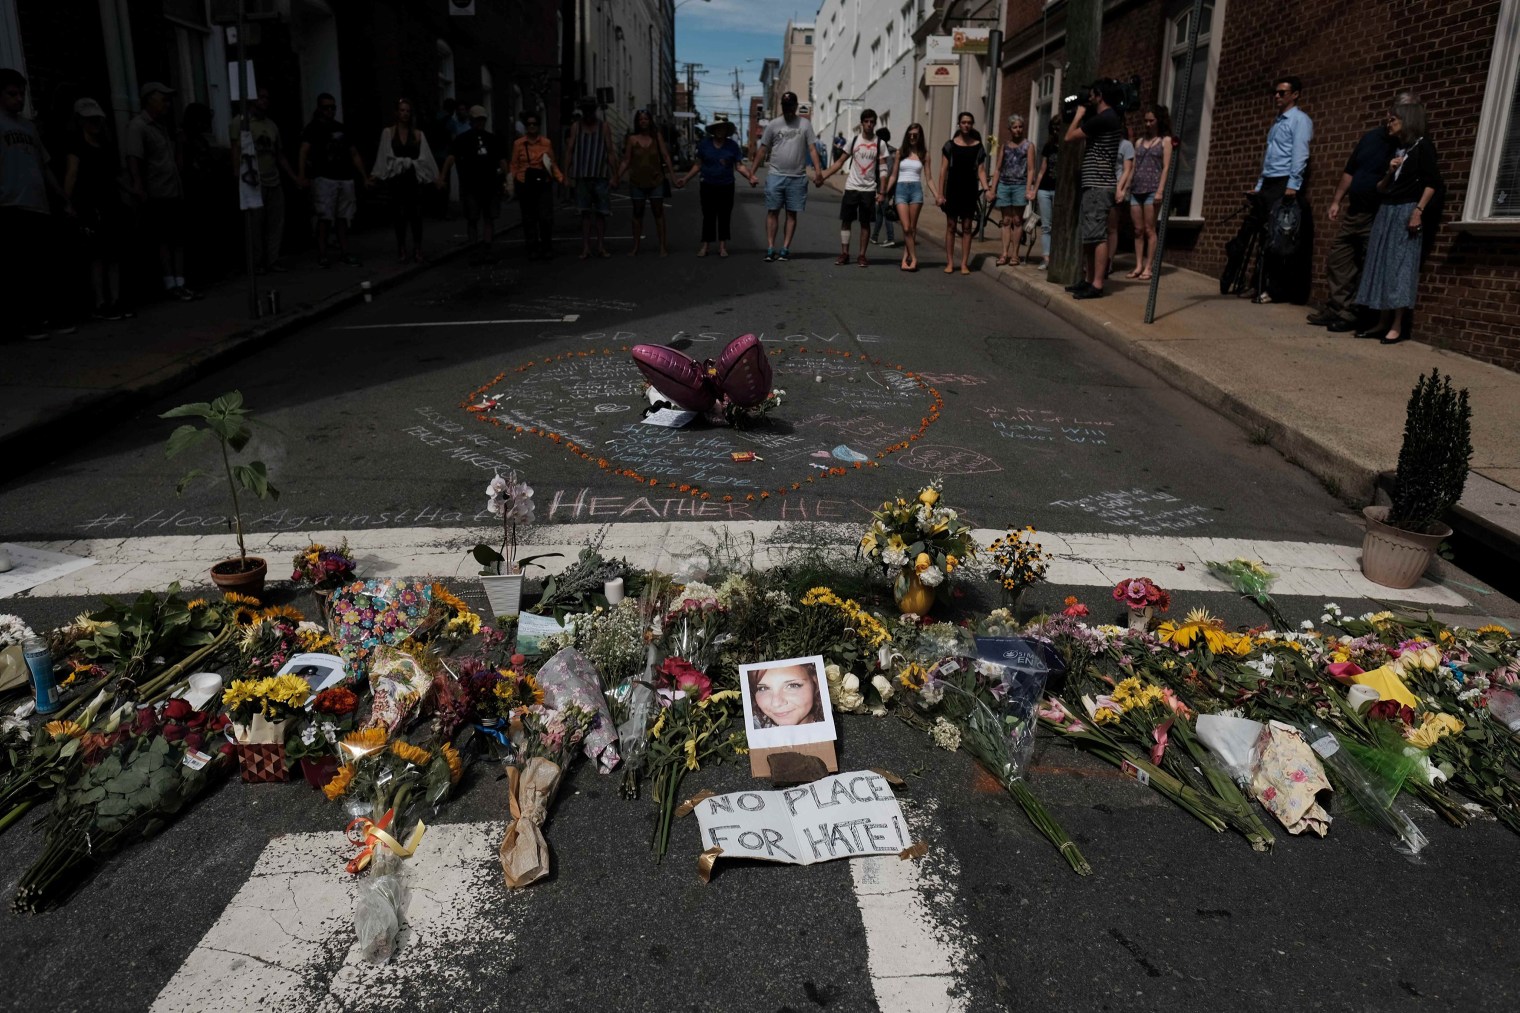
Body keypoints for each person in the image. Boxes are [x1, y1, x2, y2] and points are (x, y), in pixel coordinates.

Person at [1310, 92, 1415, 332]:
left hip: (1377, 213)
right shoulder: (1370, 138)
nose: (1394, 119)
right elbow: (1350, 171)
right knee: (1339, 258)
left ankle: (1353, 313)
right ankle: (1337, 306)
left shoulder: (1405, 144)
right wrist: (1337, 200)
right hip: (1354, 211)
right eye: (1395, 112)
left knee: (1368, 264)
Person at [1355, 101, 1441, 346]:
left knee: (1400, 266)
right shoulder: (1399, 150)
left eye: (1393, 119)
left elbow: (1432, 183)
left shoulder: (1422, 146)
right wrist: (1389, 171)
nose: (1388, 124)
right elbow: (1381, 188)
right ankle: (1382, 320)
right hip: (1387, 210)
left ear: (1407, 120)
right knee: (1381, 263)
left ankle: (1397, 325)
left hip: (1406, 209)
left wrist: (1418, 211)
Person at [1, 67, 73, 340]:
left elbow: (44, 167)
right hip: (10, 205)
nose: (18, 99)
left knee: (41, 266)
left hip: (37, 204)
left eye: (21, 94)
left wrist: (63, 199)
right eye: (12, 94)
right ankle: (25, 322)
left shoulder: (28, 127)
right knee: (21, 269)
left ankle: (44, 317)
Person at [1237, 75, 1314, 303]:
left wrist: (1292, 185)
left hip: (1283, 184)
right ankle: (1258, 284)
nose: (1277, 96)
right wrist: (1259, 186)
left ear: (1295, 94)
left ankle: (1273, 290)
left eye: (1282, 92)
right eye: (1276, 92)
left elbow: (1300, 154)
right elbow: (1269, 157)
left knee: (1279, 239)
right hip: (1269, 183)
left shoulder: (1299, 120)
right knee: (1263, 237)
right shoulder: (1277, 121)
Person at [127, 81, 196, 301]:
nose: (167, 104)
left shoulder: (165, 127)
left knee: (177, 238)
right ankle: (169, 283)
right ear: (149, 100)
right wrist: (138, 185)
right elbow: (134, 158)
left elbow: (176, 161)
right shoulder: (139, 126)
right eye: (162, 99)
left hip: (173, 189)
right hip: (157, 191)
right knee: (164, 239)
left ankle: (180, 281)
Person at [65, 97, 130, 319]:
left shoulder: (105, 146)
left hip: (109, 202)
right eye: (90, 120)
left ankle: (115, 299)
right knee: (98, 255)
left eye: (97, 120)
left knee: (112, 254)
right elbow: (71, 174)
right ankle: (101, 302)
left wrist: (131, 192)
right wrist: (68, 201)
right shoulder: (77, 145)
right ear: (80, 121)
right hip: (91, 204)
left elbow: (115, 175)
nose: (95, 124)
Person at [1063, 80, 1123, 299]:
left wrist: (1079, 115)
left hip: (1099, 184)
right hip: (1094, 183)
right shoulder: (1107, 118)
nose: (1089, 99)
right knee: (1090, 235)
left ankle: (1097, 284)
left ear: (1100, 95)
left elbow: (1069, 137)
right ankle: (1088, 280)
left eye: (1092, 95)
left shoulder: (1105, 118)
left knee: (1097, 237)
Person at [230, 86, 297, 273]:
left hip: (272, 177)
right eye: (261, 97)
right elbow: (235, 149)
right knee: (255, 224)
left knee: (275, 221)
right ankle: (257, 262)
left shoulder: (271, 125)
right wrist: (236, 173)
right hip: (253, 180)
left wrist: (294, 177)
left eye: (267, 97)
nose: (265, 101)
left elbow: (279, 154)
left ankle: (272, 259)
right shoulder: (241, 122)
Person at [298, 93, 369, 267]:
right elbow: (303, 152)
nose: (330, 111)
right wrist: (302, 175)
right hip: (324, 177)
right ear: (319, 109)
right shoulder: (313, 128)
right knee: (324, 217)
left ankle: (344, 252)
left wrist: (364, 176)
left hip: (344, 177)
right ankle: (323, 254)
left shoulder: (342, 129)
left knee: (343, 217)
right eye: (326, 107)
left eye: (332, 107)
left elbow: (353, 153)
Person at [674, 113, 757, 258]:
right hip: (708, 185)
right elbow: (698, 165)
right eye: (718, 127)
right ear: (714, 129)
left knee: (724, 215)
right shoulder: (704, 145)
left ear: (726, 130)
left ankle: (722, 246)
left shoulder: (732, 146)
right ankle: (705, 245)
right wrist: (685, 179)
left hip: (726, 185)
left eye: (723, 128)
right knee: (708, 215)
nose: (720, 130)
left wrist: (751, 176)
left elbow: (739, 166)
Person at [755, 91, 824, 263]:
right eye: (785, 107)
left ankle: (785, 248)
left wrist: (818, 172)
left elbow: (812, 149)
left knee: (792, 213)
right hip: (775, 175)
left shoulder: (805, 124)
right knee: (773, 211)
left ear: (795, 106)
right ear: (782, 107)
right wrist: (752, 172)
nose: (788, 110)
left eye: (791, 106)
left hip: (797, 177)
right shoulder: (773, 125)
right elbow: (763, 149)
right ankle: (770, 248)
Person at [370, 98, 438, 263]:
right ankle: (401, 247)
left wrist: (436, 177)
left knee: (416, 214)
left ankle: (417, 247)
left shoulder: (417, 135)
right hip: (397, 178)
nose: (405, 114)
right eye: (402, 110)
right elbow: (383, 155)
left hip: (412, 178)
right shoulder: (389, 133)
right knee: (399, 215)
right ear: (396, 113)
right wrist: (376, 175)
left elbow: (426, 157)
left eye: (407, 111)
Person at [820, 108, 888, 267]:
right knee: (846, 221)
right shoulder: (854, 141)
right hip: (852, 187)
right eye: (866, 121)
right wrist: (823, 176)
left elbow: (884, 170)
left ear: (875, 124)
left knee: (865, 223)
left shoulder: (880, 143)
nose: (869, 125)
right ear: (862, 123)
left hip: (869, 189)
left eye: (872, 122)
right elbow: (839, 162)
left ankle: (862, 255)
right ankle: (844, 253)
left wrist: (882, 191)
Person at [437, 105, 509, 250]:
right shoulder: (462, 139)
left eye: (482, 119)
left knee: (489, 218)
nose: (480, 123)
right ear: (471, 120)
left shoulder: (492, 139)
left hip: (490, 184)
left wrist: (507, 180)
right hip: (470, 185)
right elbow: (451, 157)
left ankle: (487, 247)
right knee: (472, 218)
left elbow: (501, 160)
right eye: (477, 120)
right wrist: (442, 177)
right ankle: (474, 248)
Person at [613, 109, 675, 257]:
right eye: (640, 119)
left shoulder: (656, 137)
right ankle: (635, 246)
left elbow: (665, 156)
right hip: (637, 182)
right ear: (637, 122)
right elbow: (626, 160)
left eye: (646, 119)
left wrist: (672, 175)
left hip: (656, 180)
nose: (643, 121)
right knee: (637, 213)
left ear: (650, 121)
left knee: (658, 212)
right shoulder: (632, 139)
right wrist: (616, 177)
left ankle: (662, 246)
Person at [179, 102, 226, 288]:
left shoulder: (200, 139)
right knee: (195, 234)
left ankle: (207, 272)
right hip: (193, 191)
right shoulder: (185, 139)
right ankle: (196, 275)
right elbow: (184, 165)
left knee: (206, 231)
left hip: (204, 189)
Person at [566, 96, 617, 259]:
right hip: (582, 175)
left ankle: (601, 245)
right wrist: (565, 174)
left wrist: (614, 174)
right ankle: (586, 247)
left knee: (601, 213)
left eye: (591, 110)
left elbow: (610, 151)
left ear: (595, 110)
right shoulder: (576, 127)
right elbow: (570, 150)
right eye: (585, 110)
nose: (588, 113)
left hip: (600, 175)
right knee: (585, 213)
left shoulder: (603, 127)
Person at [937, 111, 988, 275]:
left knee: (967, 227)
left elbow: (981, 171)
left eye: (969, 123)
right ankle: (950, 262)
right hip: (953, 188)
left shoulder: (978, 146)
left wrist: (987, 188)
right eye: (964, 122)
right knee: (951, 226)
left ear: (972, 125)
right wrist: (939, 193)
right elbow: (943, 171)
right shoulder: (950, 146)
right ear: (959, 124)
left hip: (969, 189)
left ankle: (964, 263)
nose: (966, 125)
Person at [1125, 105, 1173, 281]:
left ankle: (1149, 266)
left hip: (1152, 189)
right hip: (1137, 188)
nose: (1148, 124)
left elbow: (1166, 167)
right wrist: (1125, 187)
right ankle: (1138, 264)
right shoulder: (1139, 142)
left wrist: (1160, 190)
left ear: (1158, 121)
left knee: (1149, 229)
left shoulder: (1165, 141)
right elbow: (1133, 166)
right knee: (1137, 230)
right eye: (1146, 120)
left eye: (1151, 120)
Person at [508, 111, 563, 260]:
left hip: (542, 183)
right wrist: (511, 183)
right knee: (529, 217)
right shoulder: (518, 144)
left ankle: (546, 246)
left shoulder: (546, 143)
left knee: (545, 217)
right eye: (529, 124)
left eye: (534, 124)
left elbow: (552, 164)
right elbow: (514, 164)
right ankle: (531, 247)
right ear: (525, 126)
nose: (532, 126)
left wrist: (561, 178)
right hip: (525, 183)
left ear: (538, 126)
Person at [884, 122, 935, 272]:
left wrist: (938, 195)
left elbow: (929, 178)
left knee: (912, 228)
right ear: (907, 135)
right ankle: (914, 257)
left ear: (920, 136)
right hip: (900, 189)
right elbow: (893, 175)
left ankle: (905, 259)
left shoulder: (924, 154)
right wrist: (884, 192)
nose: (912, 137)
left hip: (915, 191)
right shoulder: (901, 152)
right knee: (906, 227)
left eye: (915, 135)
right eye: (910, 134)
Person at [989, 114, 1035, 267]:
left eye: (1020, 127)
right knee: (1006, 220)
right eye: (1015, 127)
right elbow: (998, 169)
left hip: (1020, 185)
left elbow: (1030, 169)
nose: (1018, 130)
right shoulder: (1005, 146)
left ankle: (1015, 254)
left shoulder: (1028, 146)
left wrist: (1028, 189)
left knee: (1017, 220)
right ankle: (1004, 253)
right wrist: (992, 189)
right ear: (1010, 129)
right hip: (1004, 184)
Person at [748, 663, 825, 729]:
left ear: (815, 683)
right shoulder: (754, 725)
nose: (776, 703)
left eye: (793, 685)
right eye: (763, 688)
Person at [1033, 113, 1061, 269]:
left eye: (1059, 128)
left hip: (1059, 190)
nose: (1057, 131)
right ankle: (1046, 257)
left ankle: (1057, 256)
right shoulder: (1048, 146)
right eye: (1054, 128)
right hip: (1044, 189)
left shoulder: (1068, 145)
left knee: (1058, 225)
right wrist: (1034, 190)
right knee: (1046, 226)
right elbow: (1042, 169)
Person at [1107, 127, 1135, 278]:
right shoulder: (1105, 143)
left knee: (1111, 227)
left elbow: (1127, 169)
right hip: (1102, 187)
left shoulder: (1126, 145)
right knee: (1099, 227)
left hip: (1116, 187)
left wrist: (1121, 189)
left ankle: (1109, 261)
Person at [869, 127, 896, 248]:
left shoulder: (888, 153)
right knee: (879, 211)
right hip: (884, 186)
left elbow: (888, 171)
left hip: (884, 187)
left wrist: (882, 190)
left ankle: (890, 238)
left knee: (885, 212)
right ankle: (874, 237)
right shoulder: (890, 151)